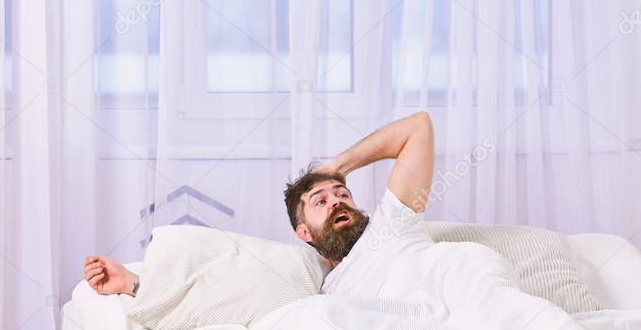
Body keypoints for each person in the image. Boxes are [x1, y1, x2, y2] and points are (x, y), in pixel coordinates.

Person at [83, 111, 435, 297]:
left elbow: (418, 127)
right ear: (303, 232)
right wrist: (133, 284)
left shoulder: (393, 225)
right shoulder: (319, 287)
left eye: (343, 195)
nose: (336, 202)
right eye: (320, 201)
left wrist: (334, 169)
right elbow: (220, 295)